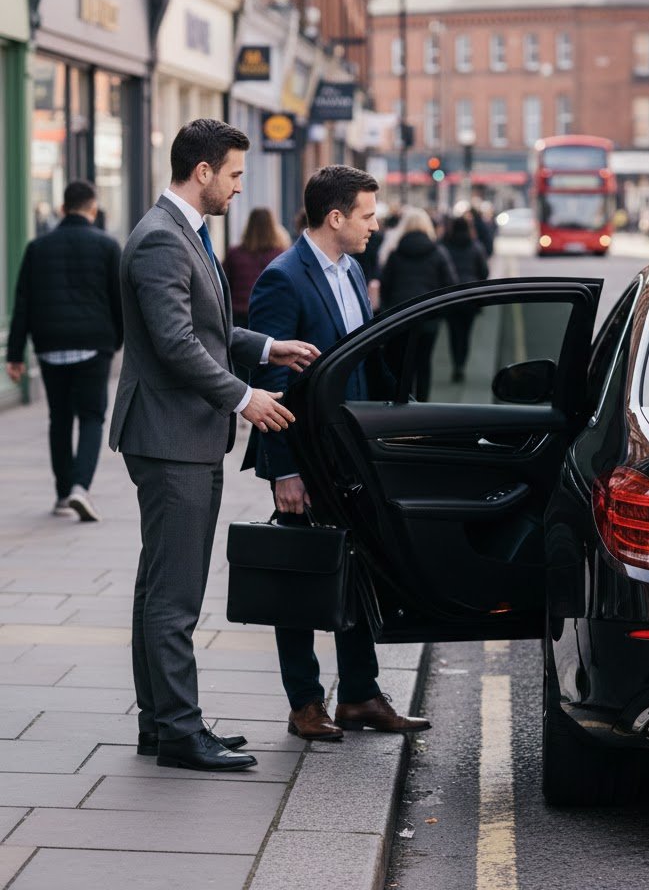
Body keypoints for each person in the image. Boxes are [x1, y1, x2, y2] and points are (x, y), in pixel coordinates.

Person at [108, 118, 319, 773]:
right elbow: (175, 344)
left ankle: (161, 724)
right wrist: (243, 397)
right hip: (172, 438)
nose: (237, 186)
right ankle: (178, 729)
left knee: (158, 591)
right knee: (174, 595)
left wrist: (263, 346)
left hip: (179, 435)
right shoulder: (162, 241)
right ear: (201, 171)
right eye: (232, 174)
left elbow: (208, 326)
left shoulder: (181, 233)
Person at [245, 165, 430, 740]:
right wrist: (286, 471)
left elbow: (362, 359)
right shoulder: (283, 278)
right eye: (368, 215)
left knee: (361, 571)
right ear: (336, 218)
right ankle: (305, 703)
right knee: (301, 578)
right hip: (305, 456)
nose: (376, 225)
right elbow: (267, 382)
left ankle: (359, 695)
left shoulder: (351, 270)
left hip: (352, 455)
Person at [6, 180, 123, 521]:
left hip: (50, 344)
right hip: (93, 344)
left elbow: (22, 302)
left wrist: (15, 354)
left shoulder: (37, 247)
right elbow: (119, 301)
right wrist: (116, 340)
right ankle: (80, 488)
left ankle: (61, 493)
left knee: (59, 419)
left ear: (62, 209)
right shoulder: (107, 246)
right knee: (91, 417)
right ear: (92, 208)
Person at [379, 208, 458, 401]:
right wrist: (437, 311)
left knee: (401, 363)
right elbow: (451, 284)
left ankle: (402, 403)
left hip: (399, 317)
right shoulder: (438, 252)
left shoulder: (395, 253)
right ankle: (423, 406)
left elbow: (385, 286)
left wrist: (388, 310)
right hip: (427, 317)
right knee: (424, 363)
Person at [223, 207, 290, 327]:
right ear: (272, 227)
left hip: (238, 316)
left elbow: (223, 285)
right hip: (269, 315)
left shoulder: (234, 254)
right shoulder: (281, 255)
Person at [442, 214, 489, 382]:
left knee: (453, 333)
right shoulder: (476, 246)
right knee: (466, 334)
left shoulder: (445, 246)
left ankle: (456, 364)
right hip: (471, 297)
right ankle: (461, 364)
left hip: (451, 297)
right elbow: (484, 272)